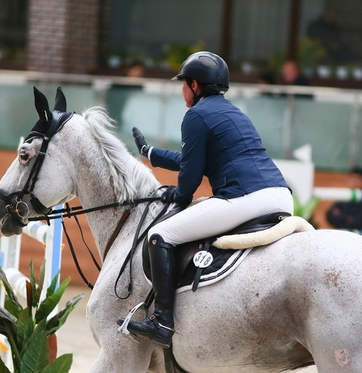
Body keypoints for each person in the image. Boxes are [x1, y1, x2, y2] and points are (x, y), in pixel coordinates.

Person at [117, 51, 293, 348]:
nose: (183, 91)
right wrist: (150, 153)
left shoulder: (196, 115)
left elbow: (190, 178)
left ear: (195, 86)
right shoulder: (234, 113)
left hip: (244, 198)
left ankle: (162, 321)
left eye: (184, 84)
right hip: (280, 196)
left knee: (160, 235)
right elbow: (191, 159)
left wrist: (180, 196)